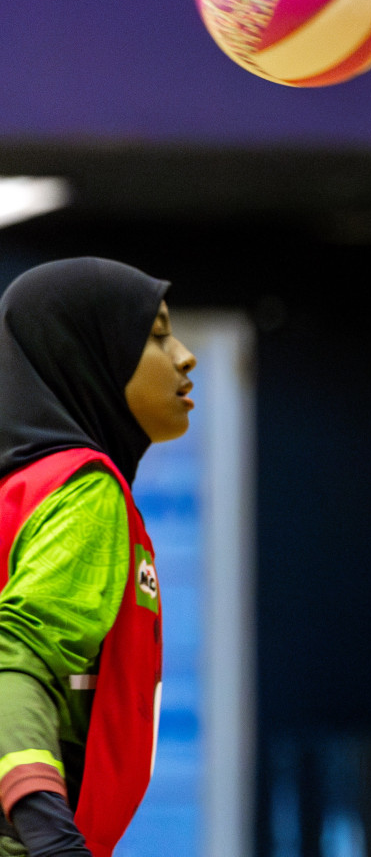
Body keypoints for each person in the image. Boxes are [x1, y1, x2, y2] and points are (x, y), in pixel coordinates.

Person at [0, 258, 195, 857]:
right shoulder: (84, 489)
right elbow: (16, 657)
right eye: (156, 334)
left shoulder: (22, 489)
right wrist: (48, 831)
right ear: (89, 356)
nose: (184, 356)